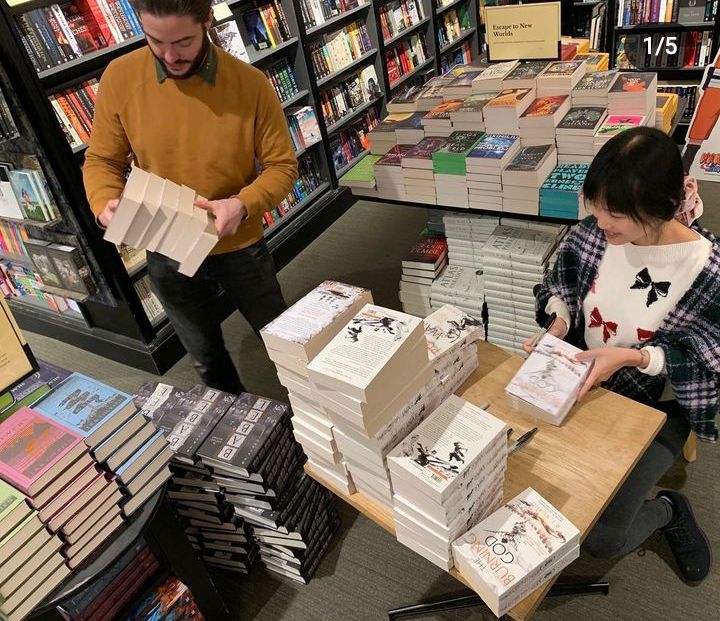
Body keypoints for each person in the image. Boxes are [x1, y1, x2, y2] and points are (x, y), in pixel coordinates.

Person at [526, 127, 717, 583]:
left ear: (660, 209)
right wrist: (558, 325)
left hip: (656, 408)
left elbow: (707, 365)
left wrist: (632, 359)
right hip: (585, 382)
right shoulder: (597, 235)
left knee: (602, 538)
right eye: (595, 205)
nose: (598, 220)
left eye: (614, 213)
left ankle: (669, 510)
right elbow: (564, 286)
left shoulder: (705, 271)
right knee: (524, 472)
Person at [83, 0, 298, 395]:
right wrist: (104, 203)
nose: (169, 55)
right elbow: (102, 160)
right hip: (166, 242)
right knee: (204, 356)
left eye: (183, 42)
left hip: (238, 242)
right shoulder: (120, 77)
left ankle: (318, 424)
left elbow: (283, 168)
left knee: (285, 342)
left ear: (207, 22)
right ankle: (238, 433)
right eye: (154, 41)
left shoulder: (249, 84)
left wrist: (243, 203)